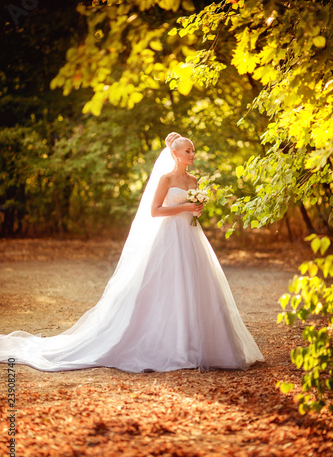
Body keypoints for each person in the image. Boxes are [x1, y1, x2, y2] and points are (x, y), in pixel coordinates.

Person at [0, 133, 264, 372]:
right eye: (187, 151)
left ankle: (200, 345)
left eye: (193, 151)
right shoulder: (166, 179)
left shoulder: (194, 179)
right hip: (169, 237)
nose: (192, 155)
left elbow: (191, 207)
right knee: (167, 287)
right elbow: (155, 211)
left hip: (191, 236)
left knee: (197, 285)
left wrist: (197, 209)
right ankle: (172, 345)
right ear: (175, 154)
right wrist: (185, 208)